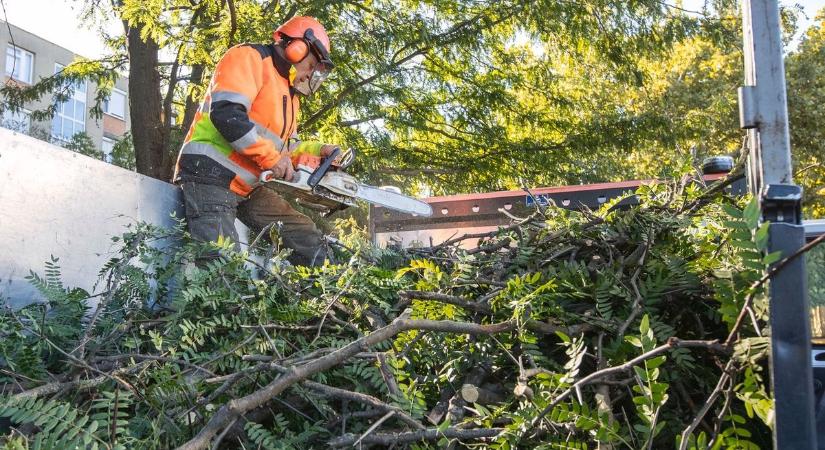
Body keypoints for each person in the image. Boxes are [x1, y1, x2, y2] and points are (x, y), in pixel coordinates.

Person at [173, 16, 338, 266]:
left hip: (248, 186)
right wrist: (272, 160)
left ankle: (328, 294)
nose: (310, 74)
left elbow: (285, 149)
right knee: (223, 269)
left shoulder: (289, 95)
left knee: (306, 237)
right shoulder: (249, 58)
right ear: (298, 47)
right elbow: (228, 115)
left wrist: (320, 152)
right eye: (312, 64)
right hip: (209, 175)